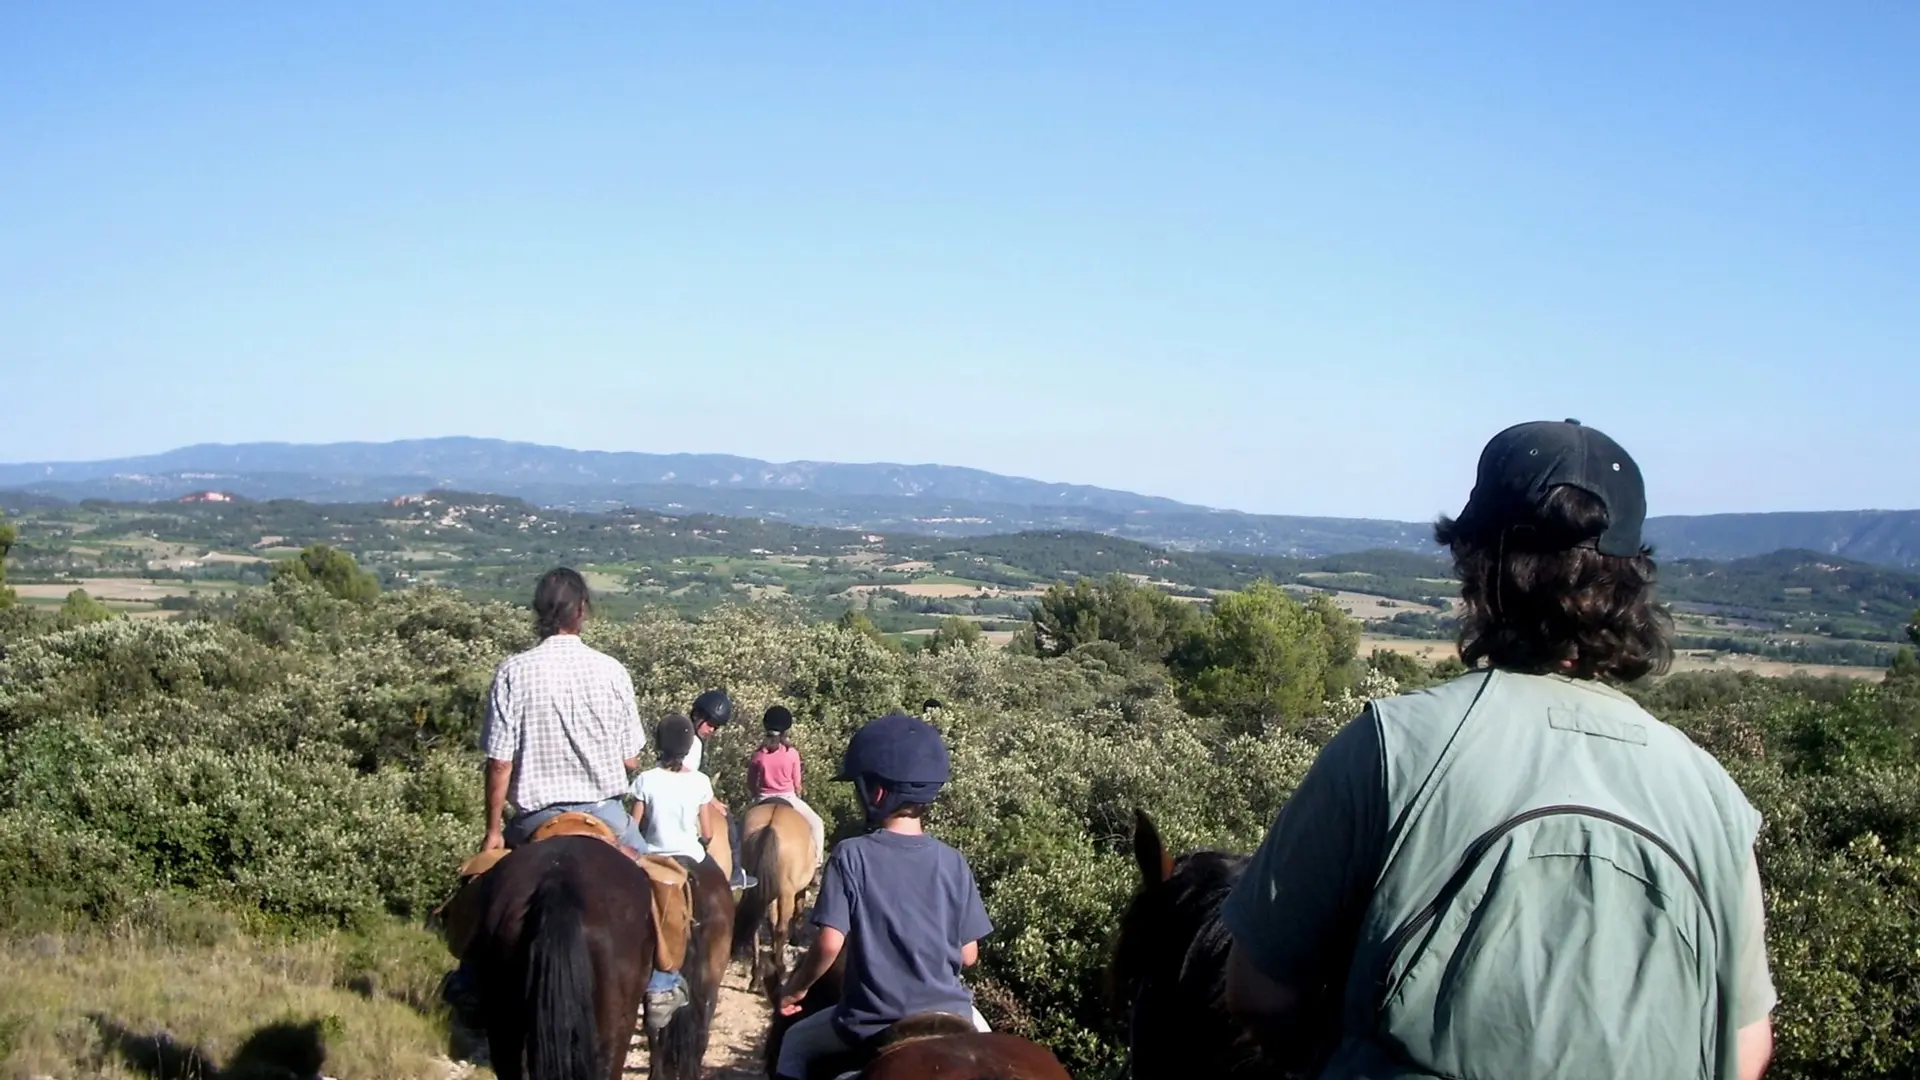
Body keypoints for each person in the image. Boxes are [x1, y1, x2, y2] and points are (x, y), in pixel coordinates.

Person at [1219, 419, 1776, 1080]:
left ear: (1476, 563)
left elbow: (1257, 992)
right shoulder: (1709, 794)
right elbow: (1746, 1050)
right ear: (1632, 580)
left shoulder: (1392, 747)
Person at [773, 712, 992, 1080]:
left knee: (794, 1045)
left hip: (871, 1021)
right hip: (953, 1015)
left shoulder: (850, 854)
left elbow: (829, 945)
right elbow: (969, 955)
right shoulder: (953, 861)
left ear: (875, 792)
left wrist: (797, 989)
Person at [630, 714, 725, 1028]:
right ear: (687, 747)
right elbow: (708, 831)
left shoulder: (645, 779)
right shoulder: (699, 781)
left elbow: (634, 826)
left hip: (655, 859)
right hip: (692, 857)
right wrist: (700, 839)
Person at [688, 688, 756, 889]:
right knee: (727, 818)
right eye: (710, 724)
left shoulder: (680, 731)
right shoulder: (694, 744)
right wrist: (713, 801)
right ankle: (735, 872)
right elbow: (692, 779)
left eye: (716, 727)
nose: (712, 730)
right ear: (697, 715)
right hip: (690, 796)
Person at [748, 704, 827, 866]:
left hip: (763, 797)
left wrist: (756, 795)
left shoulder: (758, 755)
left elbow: (751, 782)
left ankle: (737, 866)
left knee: (736, 830)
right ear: (785, 730)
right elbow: (797, 783)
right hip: (788, 797)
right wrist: (798, 792)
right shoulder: (792, 753)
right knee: (817, 824)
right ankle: (816, 864)